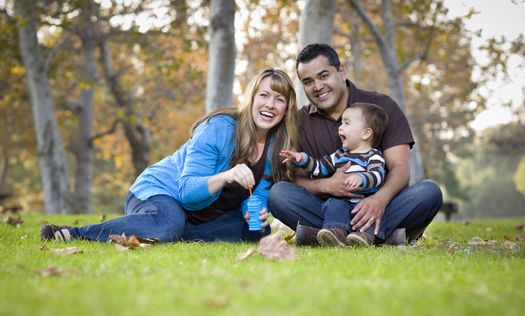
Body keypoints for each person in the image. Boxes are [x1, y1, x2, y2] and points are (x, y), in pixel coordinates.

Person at [40, 68, 300, 243]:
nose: (269, 105)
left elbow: (258, 192)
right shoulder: (219, 128)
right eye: (263, 95)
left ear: (287, 108)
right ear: (251, 99)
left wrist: (252, 211)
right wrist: (226, 176)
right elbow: (186, 191)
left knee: (257, 230)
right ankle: (73, 233)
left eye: (279, 99)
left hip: (200, 214)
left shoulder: (276, 146)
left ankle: (172, 231)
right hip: (160, 192)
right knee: (169, 223)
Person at [267, 43, 443, 246]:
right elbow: (298, 181)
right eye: (308, 81)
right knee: (279, 194)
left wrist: (379, 200)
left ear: (341, 71)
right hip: (329, 209)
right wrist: (328, 185)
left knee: (428, 192)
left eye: (324, 76)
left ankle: (322, 236)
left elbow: (400, 168)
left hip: (382, 207)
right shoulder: (299, 122)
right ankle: (383, 238)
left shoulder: (381, 107)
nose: (317, 86)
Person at [279, 102, 387, 247]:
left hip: (363, 204)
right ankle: (336, 233)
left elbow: (377, 175)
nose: (340, 127)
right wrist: (303, 159)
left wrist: (361, 178)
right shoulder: (339, 155)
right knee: (334, 204)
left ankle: (363, 237)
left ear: (366, 133)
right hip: (342, 203)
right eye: (341, 123)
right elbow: (319, 168)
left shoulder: (374, 156)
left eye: (346, 123)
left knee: (369, 213)